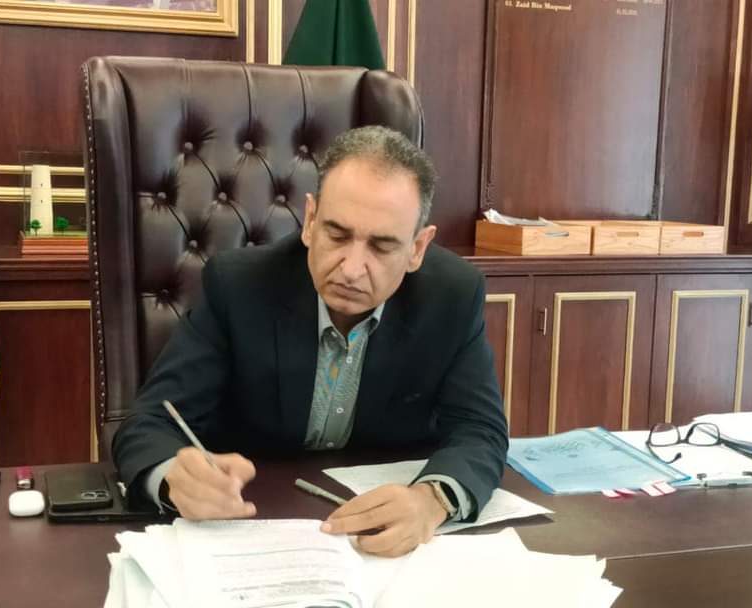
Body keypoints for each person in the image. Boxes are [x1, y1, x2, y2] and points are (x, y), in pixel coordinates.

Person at [113, 126, 508, 557]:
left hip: (385, 545)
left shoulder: (452, 296)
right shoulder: (238, 286)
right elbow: (149, 423)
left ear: (417, 248)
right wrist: (174, 475)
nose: (352, 269)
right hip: (253, 527)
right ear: (311, 221)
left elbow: (480, 429)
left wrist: (431, 500)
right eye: (337, 235)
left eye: (381, 247)